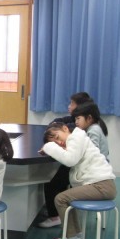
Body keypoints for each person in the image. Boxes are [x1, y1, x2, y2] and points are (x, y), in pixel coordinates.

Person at [40, 122, 116, 239]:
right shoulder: (76, 139)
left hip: (102, 186)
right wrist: (54, 147)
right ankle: (76, 236)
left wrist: (49, 146)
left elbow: (70, 160)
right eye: (55, 142)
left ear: (65, 129)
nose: (59, 142)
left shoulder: (76, 137)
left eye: (57, 137)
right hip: (100, 184)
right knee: (68, 196)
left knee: (60, 199)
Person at [38, 92, 94, 228]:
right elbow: (57, 122)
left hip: (83, 168)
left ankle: (54, 216)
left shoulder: (79, 128)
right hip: (81, 164)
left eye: (72, 104)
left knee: (51, 182)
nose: (69, 106)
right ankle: (56, 209)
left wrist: (49, 146)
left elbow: (70, 160)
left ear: (79, 107)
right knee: (59, 177)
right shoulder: (76, 120)